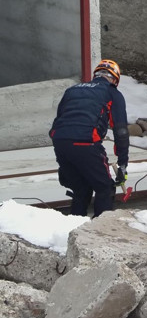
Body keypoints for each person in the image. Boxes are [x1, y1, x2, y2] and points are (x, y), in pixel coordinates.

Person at [50, 60, 129, 217]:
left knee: (81, 188)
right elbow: (120, 131)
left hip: (60, 142)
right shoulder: (112, 92)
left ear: (95, 75)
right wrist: (123, 164)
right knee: (105, 188)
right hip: (86, 142)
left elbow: (60, 119)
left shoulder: (71, 90)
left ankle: (74, 225)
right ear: (115, 79)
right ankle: (101, 228)